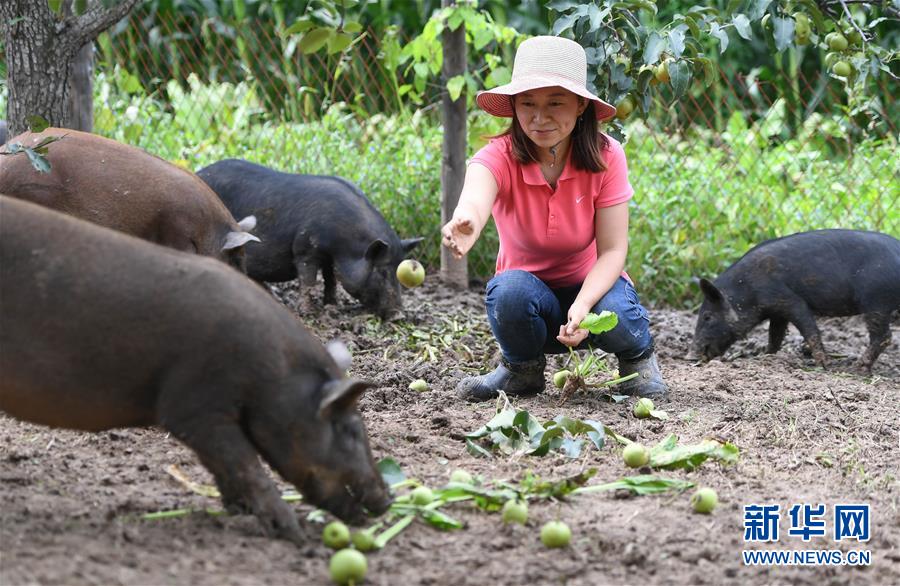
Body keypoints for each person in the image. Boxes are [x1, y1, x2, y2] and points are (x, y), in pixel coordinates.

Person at [441, 35, 668, 402]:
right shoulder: (498, 156)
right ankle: (521, 371)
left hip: (593, 293)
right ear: (513, 105)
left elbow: (612, 250)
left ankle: (637, 362)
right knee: (509, 292)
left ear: (580, 106)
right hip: (532, 306)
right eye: (527, 103)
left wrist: (581, 306)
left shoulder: (607, 156)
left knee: (618, 310)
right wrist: (466, 220)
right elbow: (476, 193)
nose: (539, 117)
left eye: (555, 103)